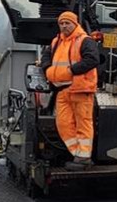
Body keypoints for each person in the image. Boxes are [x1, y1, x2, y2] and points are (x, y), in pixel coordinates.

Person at [40, 11, 100, 171]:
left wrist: (71, 71)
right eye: (62, 23)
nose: (64, 26)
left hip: (81, 89)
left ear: (75, 24)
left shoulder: (85, 40)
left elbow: (93, 59)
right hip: (62, 90)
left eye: (67, 23)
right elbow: (45, 56)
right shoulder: (56, 42)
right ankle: (79, 154)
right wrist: (47, 69)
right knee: (63, 124)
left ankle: (83, 157)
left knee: (83, 124)